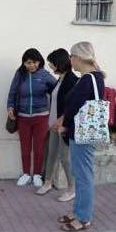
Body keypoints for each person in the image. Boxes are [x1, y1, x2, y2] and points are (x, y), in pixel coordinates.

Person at [57, 41, 105, 232]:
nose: (70, 60)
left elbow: (74, 107)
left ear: (78, 57)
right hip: (83, 133)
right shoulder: (92, 77)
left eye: (71, 56)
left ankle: (84, 217)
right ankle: (78, 211)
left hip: (83, 134)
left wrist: (64, 124)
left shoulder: (88, 79)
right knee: (80, 174)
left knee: (83, 176)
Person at [7, 48, 56, 187]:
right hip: (23, 117)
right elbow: (13, 92)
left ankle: (37, 175)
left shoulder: (45, 75)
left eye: (34, 62)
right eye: (28, 63)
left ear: (39, 62)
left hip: (41, 117)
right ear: (23, 63)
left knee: (39, 147)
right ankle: (26, 174)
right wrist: (10, 107)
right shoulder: (20, 75)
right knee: (25, 147)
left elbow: (57, 90)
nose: (31, 66)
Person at [36, 48, 78, 201]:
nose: (51, 67)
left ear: (59, 63)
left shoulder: (72, 80)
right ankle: (47, 183)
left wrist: (62, 121)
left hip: (63, 126)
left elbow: (72, 106)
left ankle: (72, 188)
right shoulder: (60, 79)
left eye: (52, 64)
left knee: (65, 158)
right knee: (51, 154)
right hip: (53, 124)